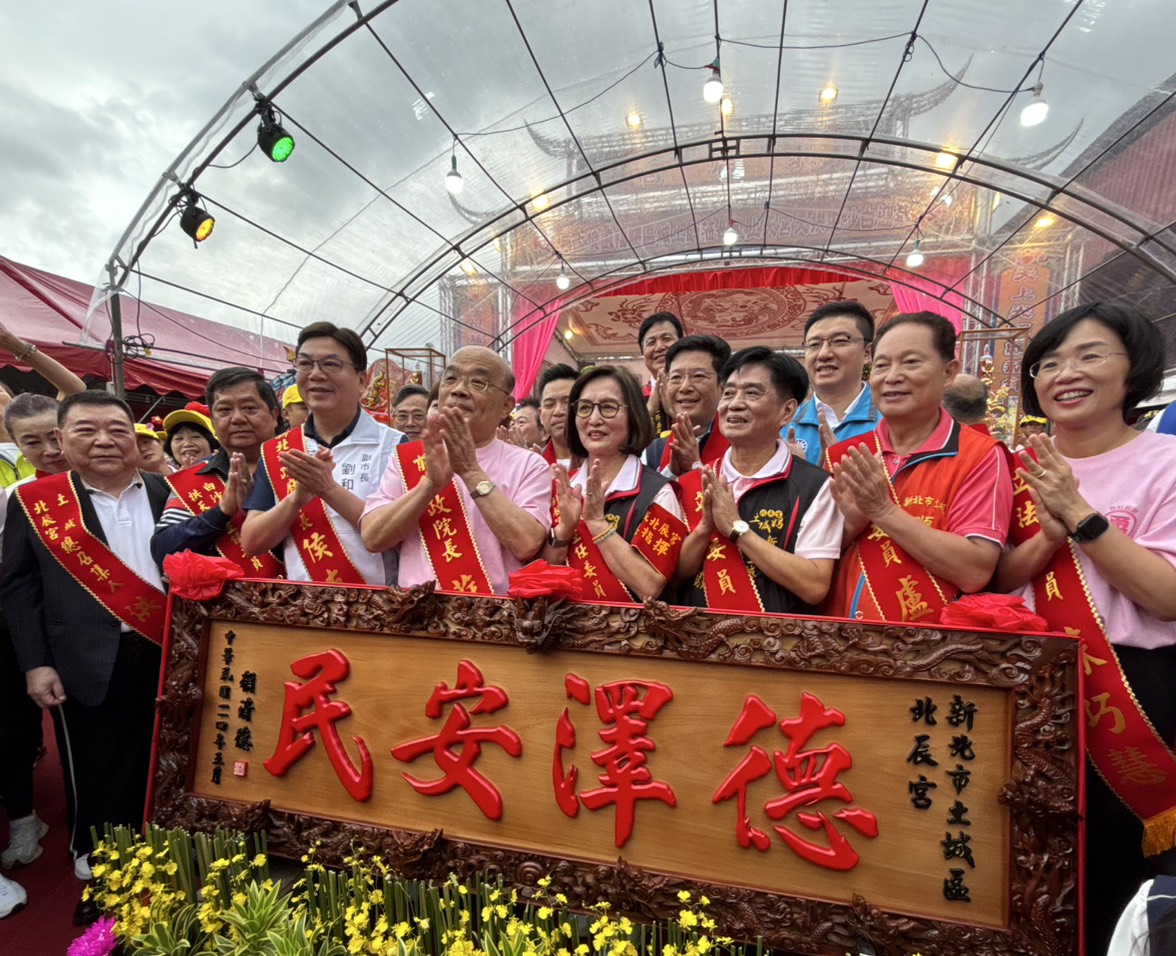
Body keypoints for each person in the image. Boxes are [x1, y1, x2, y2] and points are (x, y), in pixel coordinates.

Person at [992, 303, 1176, 953]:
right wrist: (1045, 536)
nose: (1065, 373)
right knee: (1018, 873)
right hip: (1018, 695)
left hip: (1129, 694)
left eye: (1089, 356)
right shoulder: (1007, 466)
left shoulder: (1165, 462)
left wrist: (1079, 514)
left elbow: (1167, 597)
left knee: (1113, 880)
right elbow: (989, 577)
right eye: (1048, 363)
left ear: (1134, 369)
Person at [0, 390, 170, 924]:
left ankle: (172, 864)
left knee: (167, 763)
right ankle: (106, 875)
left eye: (117, 429)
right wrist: (35, 663)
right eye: (86, 430)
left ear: (134, 437)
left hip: (169, 653)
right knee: (96, 772)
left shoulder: (169, 491)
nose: (103, 441)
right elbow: (18, 588)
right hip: (83, 659)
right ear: (61, 439)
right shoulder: (36, 502)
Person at [825, 312, 1012, 622]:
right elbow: (814, 562)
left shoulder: (979, 455)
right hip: (841, 638)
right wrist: (850, 526)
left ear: (948, 373)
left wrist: (883, 511)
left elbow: (975, 570)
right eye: (881, 365)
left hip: (930, 645)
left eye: (910, 362)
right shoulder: (846, 455)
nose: (892, 376)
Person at [360, 346, 551, 595]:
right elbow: (373, 538)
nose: (459, 390)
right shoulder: (407, 458)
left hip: (494, 612)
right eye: (450, 378)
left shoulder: (529, 464)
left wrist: (470, 472)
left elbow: (527, 544)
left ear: (506, 406)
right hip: (417, 610)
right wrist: (429, 486)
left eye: (478, 382)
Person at [676, 348, 842, 612]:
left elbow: (814, 585)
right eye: (728, 393)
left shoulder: (816, 486)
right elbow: (672, 576)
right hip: (696, 633)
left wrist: (737, 529)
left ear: (787, 411)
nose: (734, 404)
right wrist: (704, 530)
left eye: (752, 393)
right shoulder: (691, 482)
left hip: (776, 636)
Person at [242, 322, 404, 585]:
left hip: (378, 604)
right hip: (303, 605)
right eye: (305, 364)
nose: (315, 374)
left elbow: (404, 536)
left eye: (330, 364)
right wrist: (296, 500)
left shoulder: (395, 445)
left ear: (362, 381)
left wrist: (327, 489)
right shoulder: (278, 451)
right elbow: (252, 542)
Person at [542, 366, 685, 602]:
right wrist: (564, 530)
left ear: (633, 416)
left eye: (608, 407)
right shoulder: (561, 487)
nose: (594, 419)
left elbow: (650, 585)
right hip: (560, 621)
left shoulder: (658, 493)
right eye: (584, 408)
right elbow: (541, 573)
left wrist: (597, 524)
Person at [151, 368, 283, 576]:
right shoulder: (196, 476)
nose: (237, 418)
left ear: (274, 415)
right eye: (224, 410)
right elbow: (163, 550)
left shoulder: (298, 465)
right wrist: (221, 512)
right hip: (224, 596)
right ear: (213, 420)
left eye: (249, 408)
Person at [786, 301, 878, 465]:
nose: (823, 354)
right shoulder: (785, 425)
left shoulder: (892, 419)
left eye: (840, 341)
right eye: (814, 344)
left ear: (867, 353)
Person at [643, 335, 731, 476]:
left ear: (722, 386)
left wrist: (693, 466)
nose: (685, 387)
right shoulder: (653, 451)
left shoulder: (740, 446)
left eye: (698, 376)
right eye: (676, 377)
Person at [638, 312, 684, 434]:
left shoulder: (695, 391)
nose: (659, 347)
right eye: (651, 342)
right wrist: (649, 411)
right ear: (643, 352)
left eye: (666, 339)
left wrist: (673, 412)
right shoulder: (634, 399)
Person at [536, 364, 579, 469]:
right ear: (540, 415)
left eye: (567, 402)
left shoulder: (605, 460)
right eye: (549, 404)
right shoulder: (533, 464)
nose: (558, 411)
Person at [163, 404, 218, 469]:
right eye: (179, 438)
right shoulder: (168, 476)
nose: (187, 444)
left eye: (196, 437)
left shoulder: (226, 471)